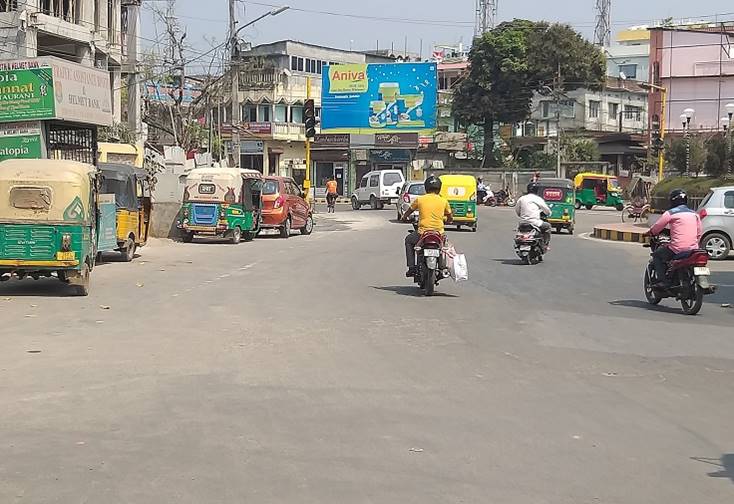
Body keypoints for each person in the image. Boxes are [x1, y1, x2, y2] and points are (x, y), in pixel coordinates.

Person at [645, 189, 702, 288]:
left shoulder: (670, 213)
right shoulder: (694, 214)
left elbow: (658, 226)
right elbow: (699, 233)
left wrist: (650, 233)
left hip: (677, 248)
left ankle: (664, 281)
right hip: (693, 249)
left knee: (657, 255)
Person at [401, 176, 453, 277]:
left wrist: (404, 217)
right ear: (439, 188)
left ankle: (411, 267)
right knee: (444, 248)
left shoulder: (420, 199)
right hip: (439, 234)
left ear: (426, 187)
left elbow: (409, 211)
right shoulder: (443, 201)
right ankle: (442, 268)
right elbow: (450, 216)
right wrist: (448, 220)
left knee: (408, 240)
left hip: (422, 233)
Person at [515, 182, 552, 246]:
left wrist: (522, 215)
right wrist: (549, 213)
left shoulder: (522, 198)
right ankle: (545, 244)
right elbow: (546, 210)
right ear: (537, 190)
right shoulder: (537, 199)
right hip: (535, 222)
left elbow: (517, 210)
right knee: (548, 226)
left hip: (523, 222)